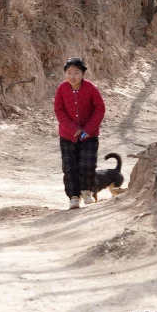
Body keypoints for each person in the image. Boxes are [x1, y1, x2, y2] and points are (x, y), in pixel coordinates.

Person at [54, 57, 105, 209]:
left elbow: (99, 109)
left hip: (89, 135)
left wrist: (87, 130)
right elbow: (59, 111)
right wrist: (73, 129)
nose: (72, 76)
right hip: (67, 136)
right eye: (69, 72)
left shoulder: (90, 88)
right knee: (69, 167)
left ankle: (87, 192)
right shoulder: (62, 89)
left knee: (87, 164)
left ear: (83, 74)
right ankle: (74, 197)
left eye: (76, 72)